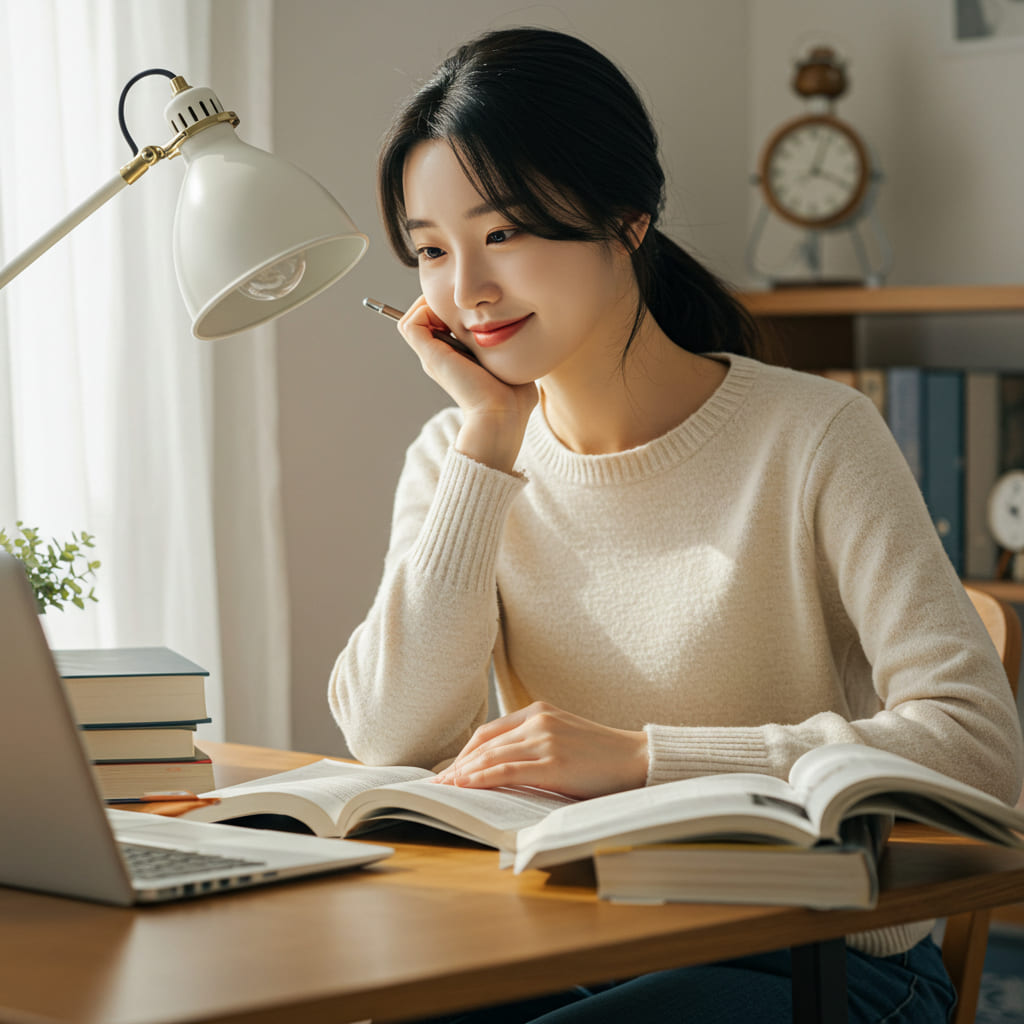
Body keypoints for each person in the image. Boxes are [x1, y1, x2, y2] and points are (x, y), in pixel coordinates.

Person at [329, 26, 1024, 1023]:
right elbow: (391, 738)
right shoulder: (458, 457)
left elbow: (973, 747)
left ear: (626, 217)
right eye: (431, 251)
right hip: (576, 939)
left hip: (817, 961)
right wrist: (485, 442)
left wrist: (644, 756)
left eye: (504, 233)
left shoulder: (815, 434)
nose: (466, 291)